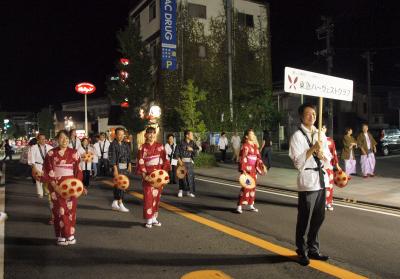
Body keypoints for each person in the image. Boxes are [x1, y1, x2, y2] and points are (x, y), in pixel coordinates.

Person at [289, 103, 331, 266]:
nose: (312, 116)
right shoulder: (297, 136)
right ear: (301, 116)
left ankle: (313, 249)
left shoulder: (320, 134)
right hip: (307, 182)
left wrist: (322, 154)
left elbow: (328, 158)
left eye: (314, 114)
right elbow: (298, 163)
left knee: (319, 217)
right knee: (304, 218)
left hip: (321, 179)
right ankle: (302, 250)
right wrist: (313, 148)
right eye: (308, 114)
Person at [42, 130, 85, 246]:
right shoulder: (51, 154)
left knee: (71, 211)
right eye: (61, 138)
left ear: (69, 140)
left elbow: (78, 171)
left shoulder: (74, 153)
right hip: (56, 185)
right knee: (59, 211)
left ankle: (70, 234)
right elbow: (48, 170)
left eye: (66, 138)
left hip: (71, 186)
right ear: (57, 140)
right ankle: (61, 235)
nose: (64, 140)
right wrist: (55, 186)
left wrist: (79, 186)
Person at [136, 127, 171, 228]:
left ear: (155, 134)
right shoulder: (142, 148)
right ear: (145, 135)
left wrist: (164, 174)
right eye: (149, 133)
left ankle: (154, 218)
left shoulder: (160, 146)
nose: (151, 135)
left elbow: (165, 160)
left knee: (157, 197)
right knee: (148, 197)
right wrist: (144, 175)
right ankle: (148, 219)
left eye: (153, 133)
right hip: (148, 175)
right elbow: (140, 162)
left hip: (158, 176)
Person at [236, 128, 263, 214]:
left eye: (253, 134)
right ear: (247, 136)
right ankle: (239, 206)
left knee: (253, 187)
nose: (253, 135)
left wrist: (262, 166)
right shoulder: (245, 146)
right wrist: (243, 169)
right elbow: (242, 157)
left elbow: (258, 157)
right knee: (245, 187)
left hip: (254, 170)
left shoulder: (255, 146)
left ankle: (251, 204)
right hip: (247, 169)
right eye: (251, 134)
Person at [109, 128, 132, 212]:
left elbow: (129, 154)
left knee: (122, 185)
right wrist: (115, 169)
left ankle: (115, 202)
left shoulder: (125, 144)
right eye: (119, 134)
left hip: (124, 167)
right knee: (120, 185)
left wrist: (129, 164)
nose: (121, 136)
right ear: (115, 135)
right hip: (117, 167)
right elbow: (112, 157)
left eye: (123, 134)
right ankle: (120, 203)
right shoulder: (113, 145)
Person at [321, 124, 340, 211]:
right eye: (320, 127)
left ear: (326, 129)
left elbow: (334, 152)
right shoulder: (315, 139)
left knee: (330, 185)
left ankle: (329, 202)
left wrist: (337, 165)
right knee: (321, 186)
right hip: (319, 166)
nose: (322, 129)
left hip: (329, 166)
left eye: (324, 127)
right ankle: (322, 203)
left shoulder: (330, 140)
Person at [28, 134, 53, 198]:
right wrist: (33, 167)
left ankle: (46, 190)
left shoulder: (50, 147)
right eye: (41, 139)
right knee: (38, 179)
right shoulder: (34, 147)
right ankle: (40, 193)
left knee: (47, 179)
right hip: (38, 165)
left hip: (47, 165)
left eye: (44, 139)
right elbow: (32, 158)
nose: (43, 140)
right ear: (38, 140)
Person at [174, 130, 198, 198]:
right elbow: (176, 152)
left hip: (190, 162)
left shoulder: (192, 143)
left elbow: (197, 150)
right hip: (182, 162)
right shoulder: (180, 143)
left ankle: (189, 191)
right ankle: (180, 190)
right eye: (191, 135)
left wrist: (192, 149)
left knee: (190, 177)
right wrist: (179, 160)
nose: (192, 136)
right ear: (187, 135)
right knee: (182, 176)